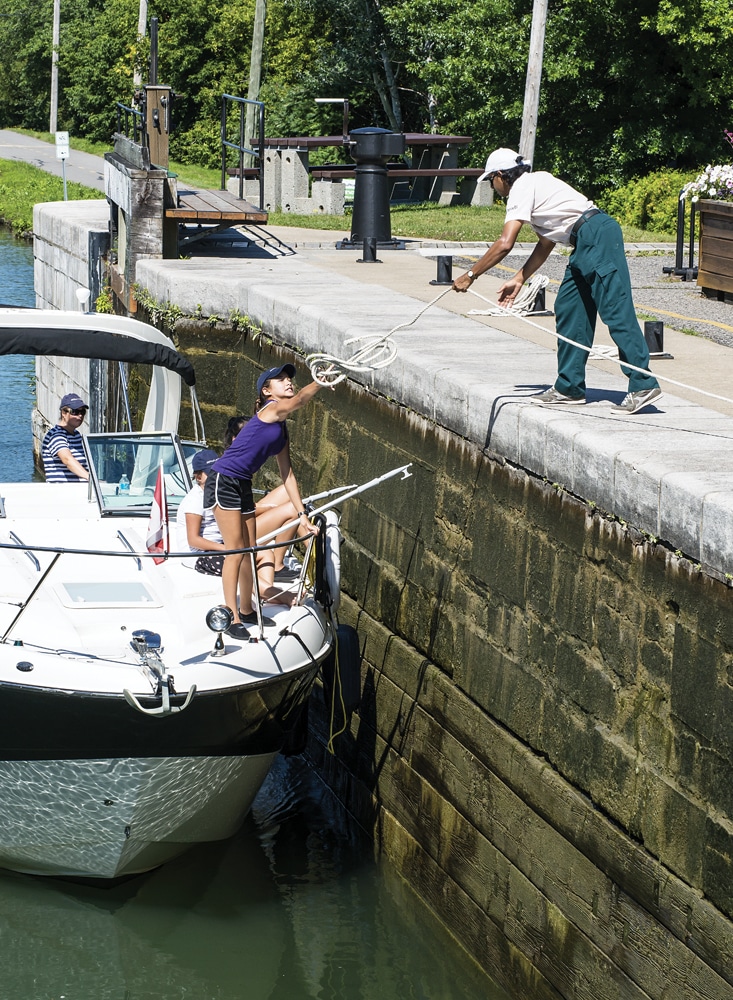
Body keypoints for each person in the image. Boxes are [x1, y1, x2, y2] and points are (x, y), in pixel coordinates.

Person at [453, 148, 663, 414]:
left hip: (596, 235)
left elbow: (505, 243)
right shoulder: (536, 182)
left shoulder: (521, 188)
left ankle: (643, 383)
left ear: (499, 175)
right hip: (583, 241)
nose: (493, 188)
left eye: (491, 181)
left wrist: (470, 275)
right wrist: (520, 277)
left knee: (615, 310)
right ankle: (569, 387)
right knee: (569, 308)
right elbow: (545, 243)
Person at [204, 363, 325, 639]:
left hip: (243, 481)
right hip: (224, 478)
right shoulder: (270, 410)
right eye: (280, 379)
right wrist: (319, 383)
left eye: (289, 378)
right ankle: (230, 613)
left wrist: (301, 513)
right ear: (267, 391)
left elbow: (288, 474)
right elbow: (299, 401)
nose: (288, 382)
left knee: (249, 548)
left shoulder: (281, 430)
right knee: (234, 550)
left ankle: (246, 609)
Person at [175, 449, 226, 572]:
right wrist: (226, 548)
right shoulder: (195, 500)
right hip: (199, 556)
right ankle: (269, 591)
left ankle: (267, 587)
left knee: (265, 554)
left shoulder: (216, 493)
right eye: (211, 472)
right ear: (198, 477)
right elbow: (193, 540)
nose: (217, 475)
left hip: (220, 545)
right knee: (241, 564)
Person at [42, 392, 90, 482]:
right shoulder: (56, 435)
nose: (80, 415)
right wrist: (91, 479)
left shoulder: (77, 435)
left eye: (82, 412)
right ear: (63, 413)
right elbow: (67, 459)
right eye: (75, 412)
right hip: (63, 492)